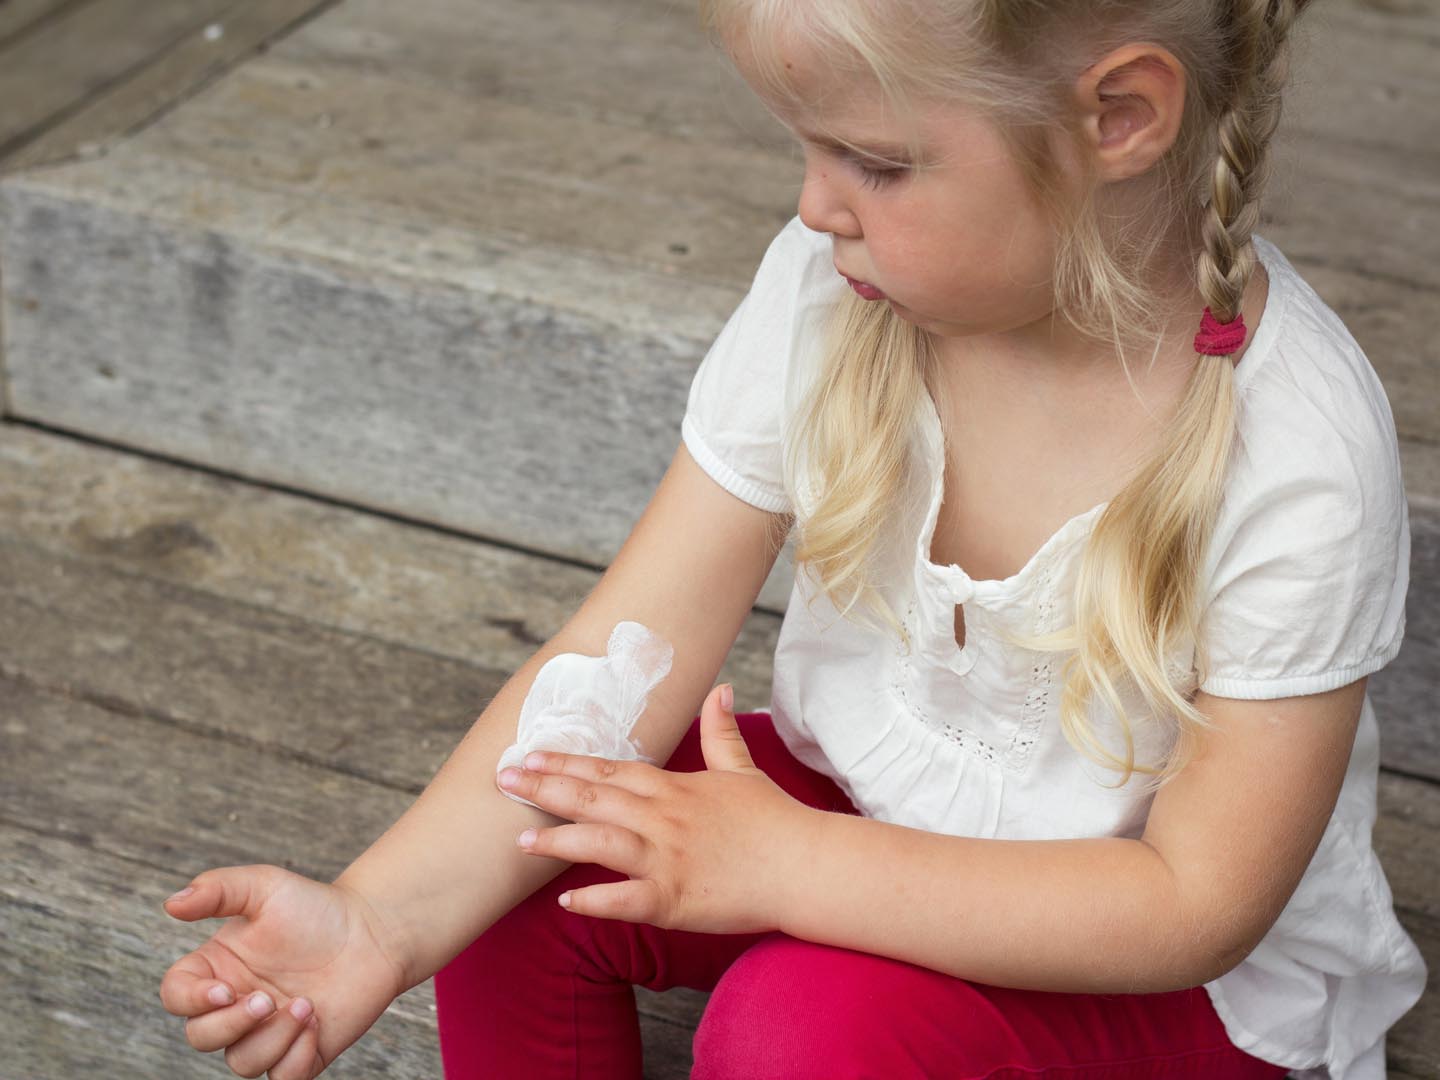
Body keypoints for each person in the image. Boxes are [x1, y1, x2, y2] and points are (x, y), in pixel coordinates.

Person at [157, 1, 1428, 1077]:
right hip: (860, 816)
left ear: (1119, 119)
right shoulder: (834, 294)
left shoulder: (1293, 448)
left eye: (873, 162)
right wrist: (379, 917)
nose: (816, 203)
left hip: (1161, 987)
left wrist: (795, 866)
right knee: (547, 835)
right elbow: (623, 642)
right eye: (807, 149)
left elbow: (1191, 908)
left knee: (803, 1028)